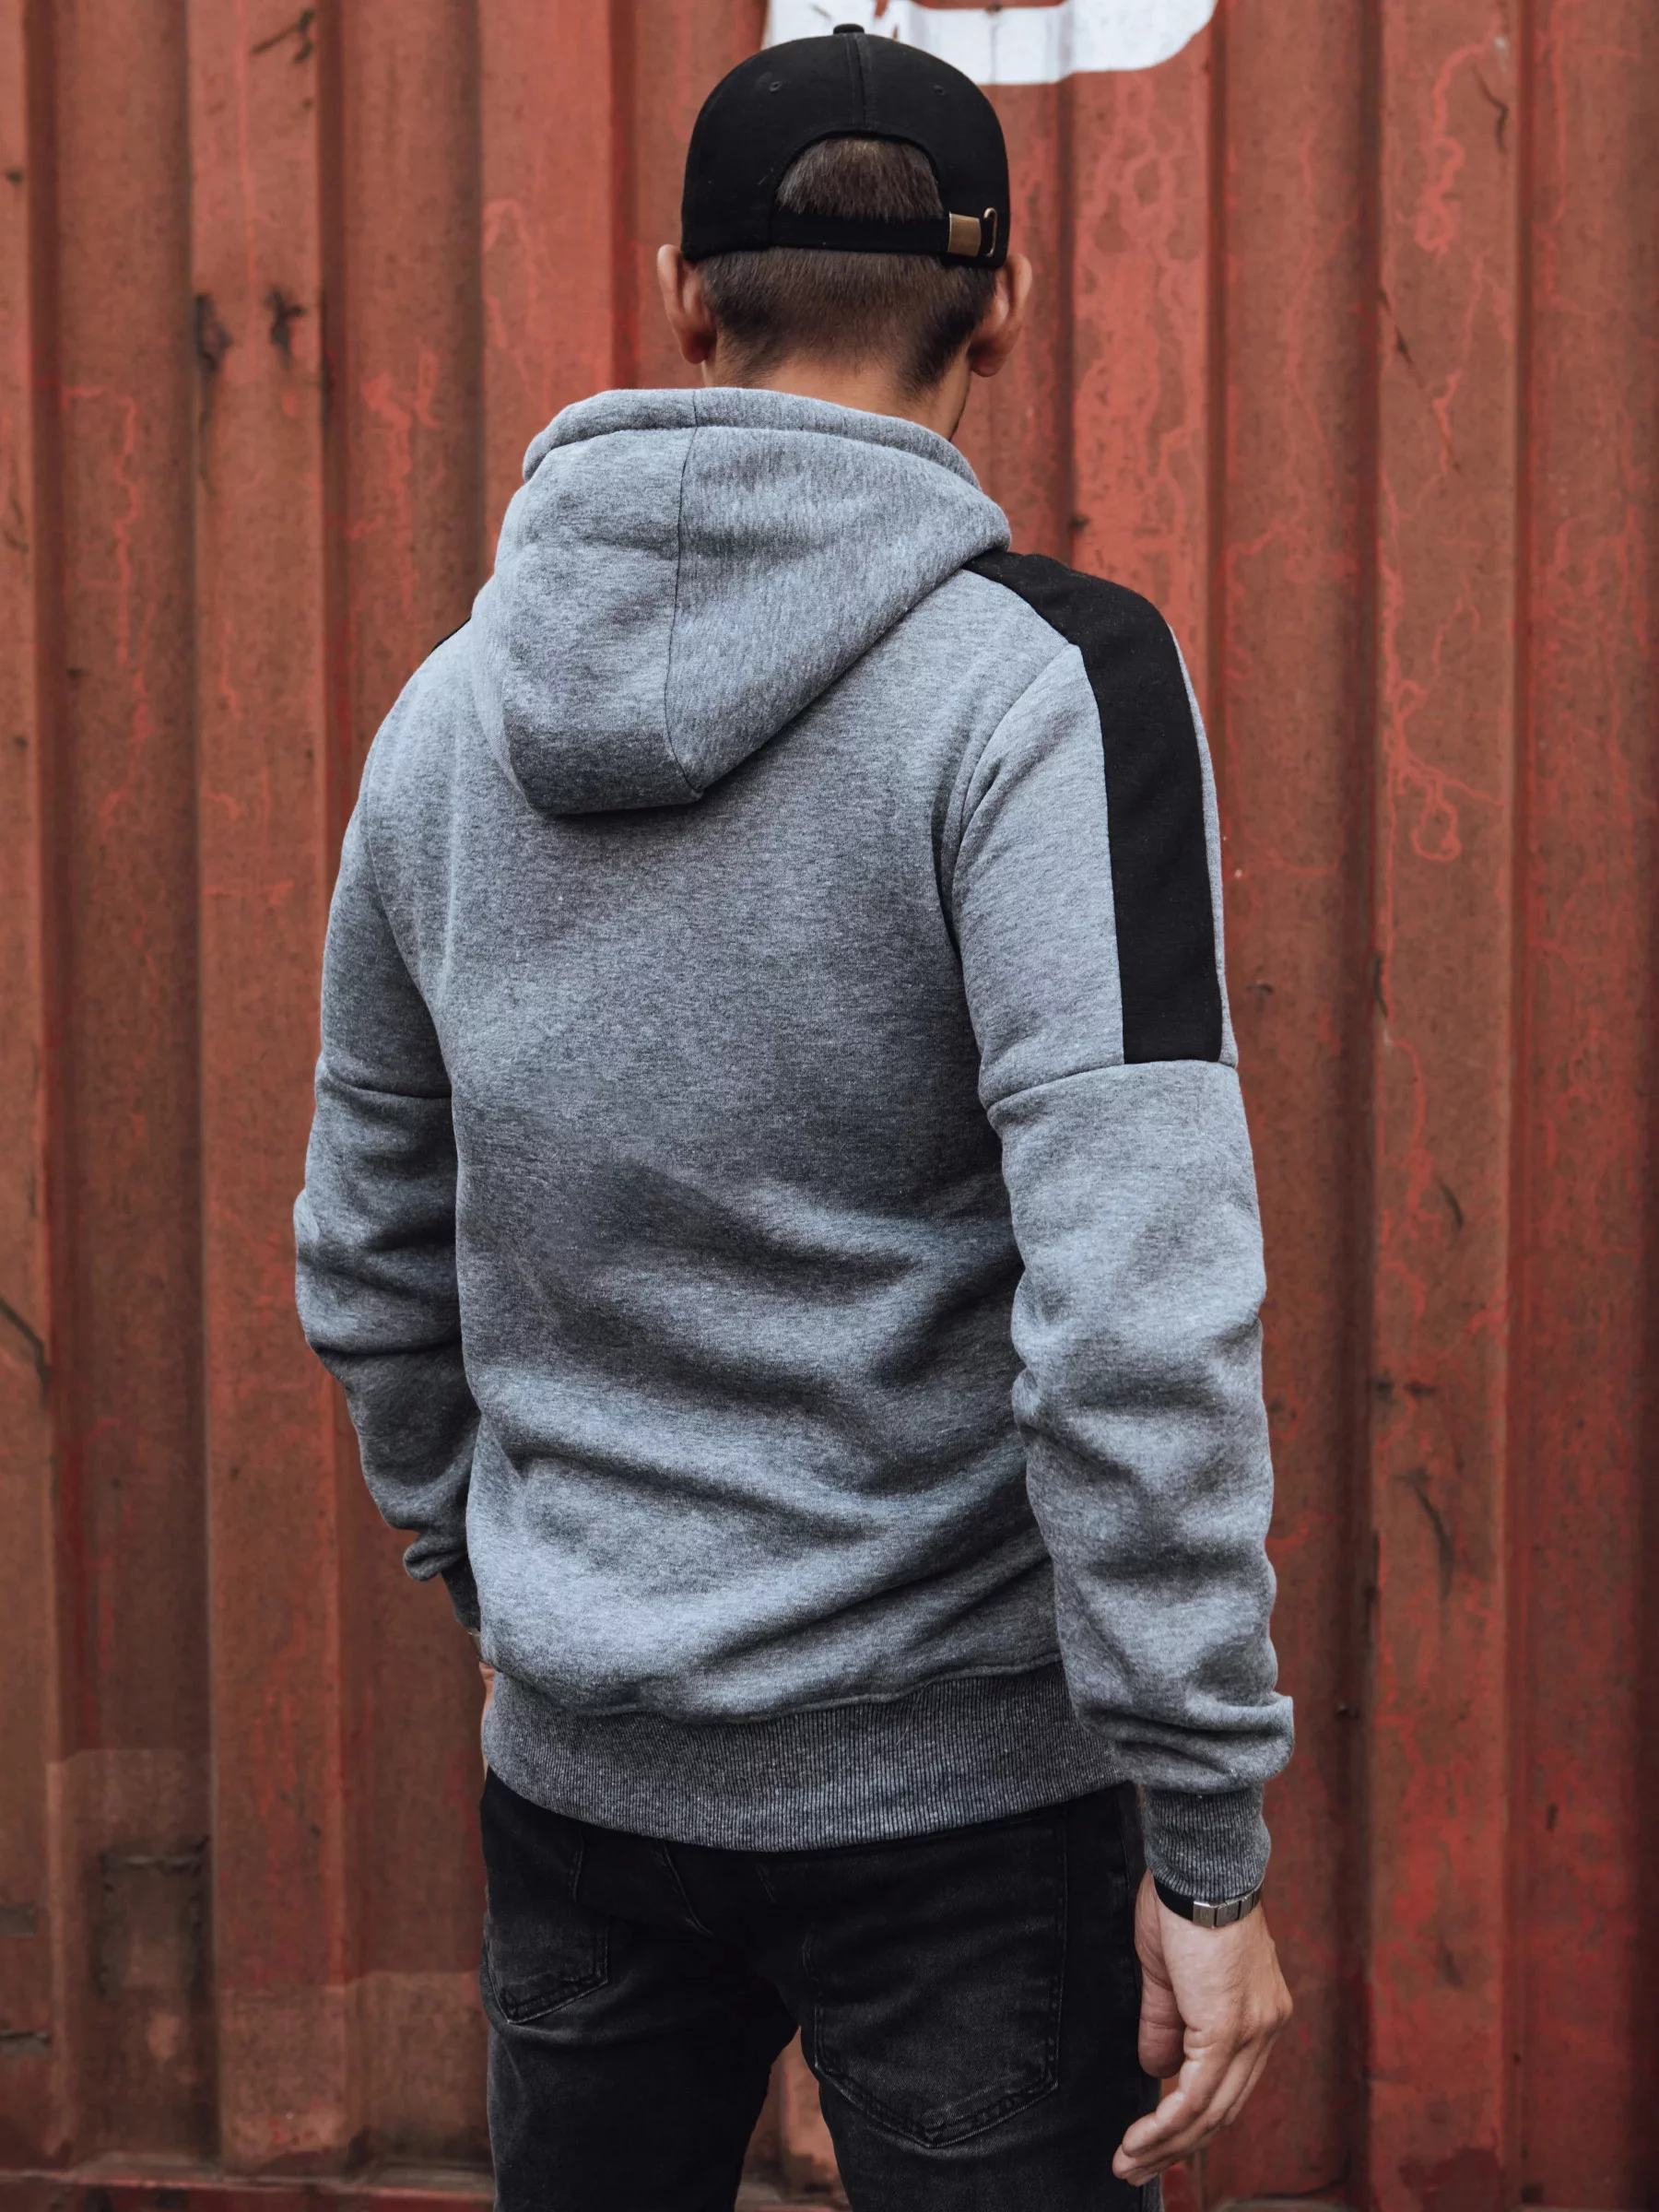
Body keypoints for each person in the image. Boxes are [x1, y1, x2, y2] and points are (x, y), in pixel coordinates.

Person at [295, 24, 1293, 2210]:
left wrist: (526, 1580)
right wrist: (1208, 1829)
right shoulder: (1047, 689)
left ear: (685, 297)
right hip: (963, 1811)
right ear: (1002, 310)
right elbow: (1134, 1309)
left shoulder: (447, 715)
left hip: (577, 1775)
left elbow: (366, 1242)